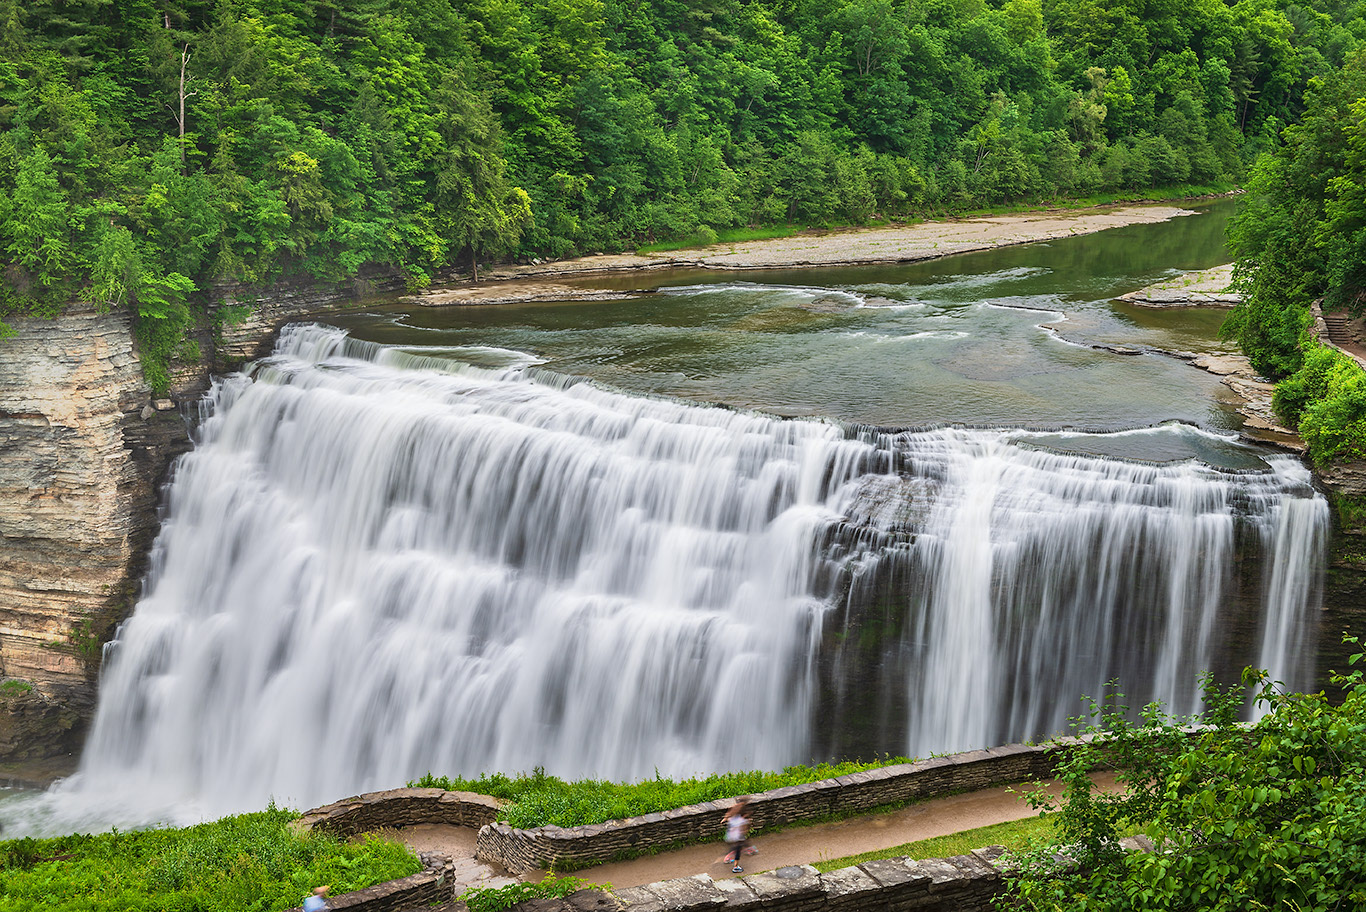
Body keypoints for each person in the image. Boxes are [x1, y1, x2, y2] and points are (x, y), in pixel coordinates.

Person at [721, 796, 752, 873]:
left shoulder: (733, 818)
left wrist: (725, 818)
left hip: (730, 835)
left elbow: (729, 813)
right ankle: (735, 867)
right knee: (737, 850)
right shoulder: (742, 821)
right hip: (737, 836)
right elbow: (743, 830)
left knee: (735, 847)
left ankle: (728, 858)